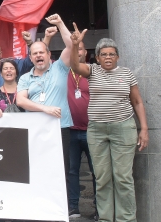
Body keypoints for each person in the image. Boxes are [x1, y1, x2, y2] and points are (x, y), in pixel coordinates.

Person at [69, 27, 148, 222]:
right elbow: (75, 66)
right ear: (97, 58)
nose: (108, 57)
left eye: (112, 54)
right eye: (103, 54)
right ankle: (105, 218)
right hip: (97, 130)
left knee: (123, 178)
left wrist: (144, 129)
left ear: (118, 57)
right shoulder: (92, 70)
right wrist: (75, 44)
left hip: (123, 128)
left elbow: (137, 102)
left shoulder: (127, 74)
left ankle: (126, 219)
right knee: (102, 178)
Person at [16, 14, 74, 214]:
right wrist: (45, 109)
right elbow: (20, 100)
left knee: (60, 172)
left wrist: (60, 23)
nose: (39, 56)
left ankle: (59, 212)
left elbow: (71, 46)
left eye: (42, 52)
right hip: (36, 131)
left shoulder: (60, 68)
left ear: (49, 54)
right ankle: (39, 210)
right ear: (30, 57)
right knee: (37, 171)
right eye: (35, 53)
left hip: (60, 129)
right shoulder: (25, 77)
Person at [64, 31, 96, 219]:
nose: (78, 51)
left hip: (93, 131)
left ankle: (99, 207)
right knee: (71, 171)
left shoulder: (93, 71)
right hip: (71, 131)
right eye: (75, 48)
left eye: (81, 48)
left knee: (96, 171)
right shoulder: (62, 72)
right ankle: (73, 207)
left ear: (86, 52)